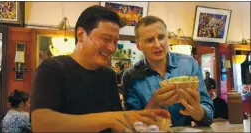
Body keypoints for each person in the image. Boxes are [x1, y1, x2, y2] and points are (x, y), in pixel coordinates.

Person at [31, 6, 170, 133]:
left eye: (115, 42)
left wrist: (150, 110)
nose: (112, 48)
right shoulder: (53, 68)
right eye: (106, 39)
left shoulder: (108, 75)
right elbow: (41, 125)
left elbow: (118, 126)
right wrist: (112, 118)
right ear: (81, 35)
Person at [122, 15, 214, 126]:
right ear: (138, 45)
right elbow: (131, 124)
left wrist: (196, 110)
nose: (157, 44)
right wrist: (154, 103)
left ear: (167, 39)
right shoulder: (130, 76)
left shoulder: (189, 64)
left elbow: (209, 114)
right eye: (150, 40)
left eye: (161, 37)